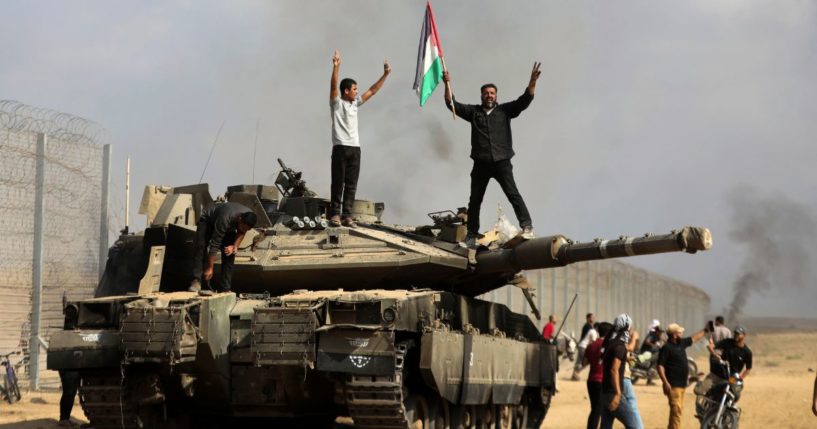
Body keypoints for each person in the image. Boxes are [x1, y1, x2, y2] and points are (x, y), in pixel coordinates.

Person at [442, 63, 541, 246]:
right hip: (481, 164)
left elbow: (525, 100)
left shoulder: (504, 111)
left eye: (492, 93)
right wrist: (446, 84)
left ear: (496, 96)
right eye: (486, 93)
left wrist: (532, 81)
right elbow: (451, 104)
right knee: (475, 200)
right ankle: (471, 235)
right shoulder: (473, 112)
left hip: (502, 162)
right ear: (482, 96)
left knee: (513, 194)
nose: (489, 96)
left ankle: (527, 227)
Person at [328, 49, 391, 228]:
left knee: (351, 184)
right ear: (346, 91)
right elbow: (333, 86)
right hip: (340, 146)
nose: (357, 92)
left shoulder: (355, 104)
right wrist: (336, 67)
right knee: (338, 183)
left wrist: (385, 74)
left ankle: (347, 215)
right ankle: (335, 214)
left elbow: (372, 91)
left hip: (355, 148)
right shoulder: (336, 103)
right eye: (354, 89)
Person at [191, 202, 257, 292]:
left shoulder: (249, 218)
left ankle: (225, 288)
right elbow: (215, 244)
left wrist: (234, 246)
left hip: (230, 226)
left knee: (229, 253)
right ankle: (196, 281)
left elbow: (242, 232)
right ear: (240, 219)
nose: (244, 230)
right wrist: (210, 268)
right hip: (208, 221)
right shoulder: (225, 218)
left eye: (247, 229)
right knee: (201, 247)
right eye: (243, 227)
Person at [657, 322, 709, 429]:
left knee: (676, 412)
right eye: (680, 332)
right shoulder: (666, 348)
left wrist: (706, 330)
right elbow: (660, 366)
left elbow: (694, 338)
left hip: (682, 385)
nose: (682, 333)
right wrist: (665, 382)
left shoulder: (681, 343)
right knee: (676, 412)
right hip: (673, 386)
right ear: (675, 334)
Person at [600, 314, 642, 429]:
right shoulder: (620, 346)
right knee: (635, 426)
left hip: (604, 392)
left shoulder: (610, 343)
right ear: (627, 328)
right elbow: (614, 370)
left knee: (605, 426)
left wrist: (626, 358)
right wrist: (618, 394)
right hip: (612, 393)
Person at [584, 322, 612, 429]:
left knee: (595, 409)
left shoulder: (591, 345)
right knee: (599, 410)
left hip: (591, 381)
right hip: (602, 381)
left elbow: (584, 363)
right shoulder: (609, 345)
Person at [573, 314, 598, 380]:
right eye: (592, 317)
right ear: (588, 318)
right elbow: (593, 341)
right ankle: (575, 374)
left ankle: (575, 374)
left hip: (582, 346)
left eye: (594, 317)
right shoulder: (589, 327)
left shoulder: (588, 327)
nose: (593, 319)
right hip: (583, 347)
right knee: (584, 361)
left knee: (581, 362)